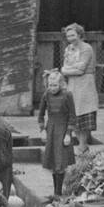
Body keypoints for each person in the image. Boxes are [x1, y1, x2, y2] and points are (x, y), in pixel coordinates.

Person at [36, 69, 75, 199]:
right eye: (50, 85)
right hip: (51, 129)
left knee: (60, 162)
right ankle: (55, 192)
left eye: (55, 85)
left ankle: (59, 193)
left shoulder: (67, 95)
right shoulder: (46, 95)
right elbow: (41, 114)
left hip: (62, 129)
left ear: (61, 84)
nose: (52, 88)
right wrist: (42, 130)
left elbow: (72, 116)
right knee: (53, 161)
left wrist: (68, 133)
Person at [60, 22, 98, 156]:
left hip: (85, 84)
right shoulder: (69, 49)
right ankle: (80, 146)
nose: (70, 38)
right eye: (68, 36)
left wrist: (68, 70)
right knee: (73, 114)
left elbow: (81, 70)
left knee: (84, 114)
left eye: (72, 35)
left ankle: (83, 146)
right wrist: (70, 70)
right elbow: (64, 67)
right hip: (72, 84)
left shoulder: (86, 48)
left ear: (80, 34)